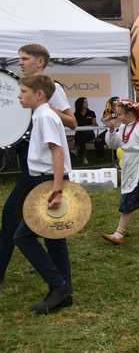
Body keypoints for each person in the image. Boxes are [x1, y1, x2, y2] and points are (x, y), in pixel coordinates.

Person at [0, 44, 76, 289]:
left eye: (25, 58)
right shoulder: (31, 96)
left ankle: (60, 284)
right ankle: (62, 284)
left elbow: (71, 122)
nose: (20, 62)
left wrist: (47, 111)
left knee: (18, 221)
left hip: (44, 169)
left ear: (40, 62)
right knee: (35, 224)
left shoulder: (48, 94)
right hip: (34, 162)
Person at [13, 75, 73, 314]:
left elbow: (57, 153)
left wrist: (56, 191)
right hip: (45, 181)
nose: (19, 95)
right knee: (54, 238)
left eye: (24, 91)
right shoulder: (40, 115)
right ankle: (64, 292)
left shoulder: (46, 117)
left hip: (49, 182)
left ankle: (58, 286)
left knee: (22, 237)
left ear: (39, 95)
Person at [102, 99, 139, 244]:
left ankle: (119, 232)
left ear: (130, 113)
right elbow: (113, 144)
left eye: (121, 114)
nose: (118, 117)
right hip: (129, 164)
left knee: (129, 196)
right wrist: (111, 130)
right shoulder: (123, 127)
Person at [73, 97, 99, 165]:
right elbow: (75, 125)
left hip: (89, 133)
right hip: (80, 134)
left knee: (80, 136)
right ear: (80, 104)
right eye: (85, 102)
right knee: (81, 137)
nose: (87, 103)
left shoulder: (91, 113)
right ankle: (84, 157)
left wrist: (94, 124)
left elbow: (94, 124)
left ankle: (76, 149)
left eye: (87, 102)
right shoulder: (76, 114)